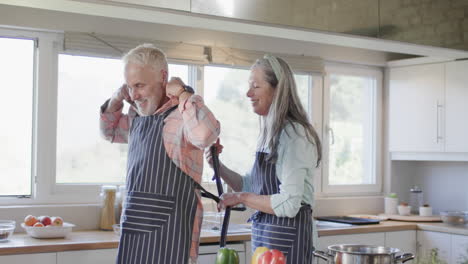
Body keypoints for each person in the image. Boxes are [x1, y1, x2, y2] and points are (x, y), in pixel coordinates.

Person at [99, 43, 220, 264]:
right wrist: (117, 98)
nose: (134, 95)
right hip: (133, 232)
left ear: (163, 77)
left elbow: (205, 135)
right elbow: (109, 132)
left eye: (140, 85)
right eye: (129, 86)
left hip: (171, 238)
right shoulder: (137, 116)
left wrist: (184, 94)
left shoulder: (181, 116)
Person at [206, 54, 322, 263]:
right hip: (267, 238)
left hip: (289, 240)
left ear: (277, 90)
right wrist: (218, 166)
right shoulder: (271, 133)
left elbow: (289, 204)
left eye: (256, 86)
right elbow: (250, 185)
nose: (248, 93)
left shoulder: (293, 134)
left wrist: (241, 197)